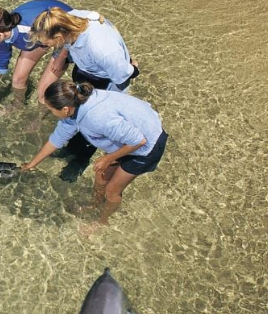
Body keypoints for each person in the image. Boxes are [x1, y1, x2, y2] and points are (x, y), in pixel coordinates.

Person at [21, 81, 167, 234]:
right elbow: (56, 139)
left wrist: (108, 158)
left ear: (65, 109)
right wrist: (31, 165)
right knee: (100, 175)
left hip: (148, 144)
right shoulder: (75, 104)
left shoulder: (97, 117)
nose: (51, 113)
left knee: (112, 190)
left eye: (51, 110)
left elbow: (138, 140)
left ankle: (102, 221)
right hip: (128, 138)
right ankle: (94, 204)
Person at [28, 7, 141, 182]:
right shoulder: (71, 19)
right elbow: (88, 19)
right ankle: (71, 149)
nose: (45, 47)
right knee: (73, 114)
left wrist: (133, 67)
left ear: (59, 37)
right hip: (85, 70)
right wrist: (62, 55)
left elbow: (124, 75)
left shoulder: (101, 49)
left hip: (107, 83)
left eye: (47, 43)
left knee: (92, 124)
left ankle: (81, 159)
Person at [0, 0, 73, 108]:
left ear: (1, 35)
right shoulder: (4, 31)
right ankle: (18, 106)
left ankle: (39, 119)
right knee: (17, 80)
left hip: (67, 36)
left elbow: (70, 35)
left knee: (43, 93)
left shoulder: (29, 28)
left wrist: (61, 57)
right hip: (40, 38)